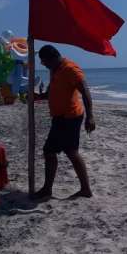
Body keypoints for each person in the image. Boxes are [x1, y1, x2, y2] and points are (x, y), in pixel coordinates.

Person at [33, 45, 95, 200]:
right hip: (60, 117)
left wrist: (90, 116)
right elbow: (52, 92)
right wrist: (39, 96)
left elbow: (85, 91)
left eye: (44, 61)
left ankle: (83, 189)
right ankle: (51, 189)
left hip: (70, 117)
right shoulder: (55, 69)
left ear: (53, 57)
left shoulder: (70, 69)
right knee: (55, 151)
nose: (44, 65)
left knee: (65, 151)